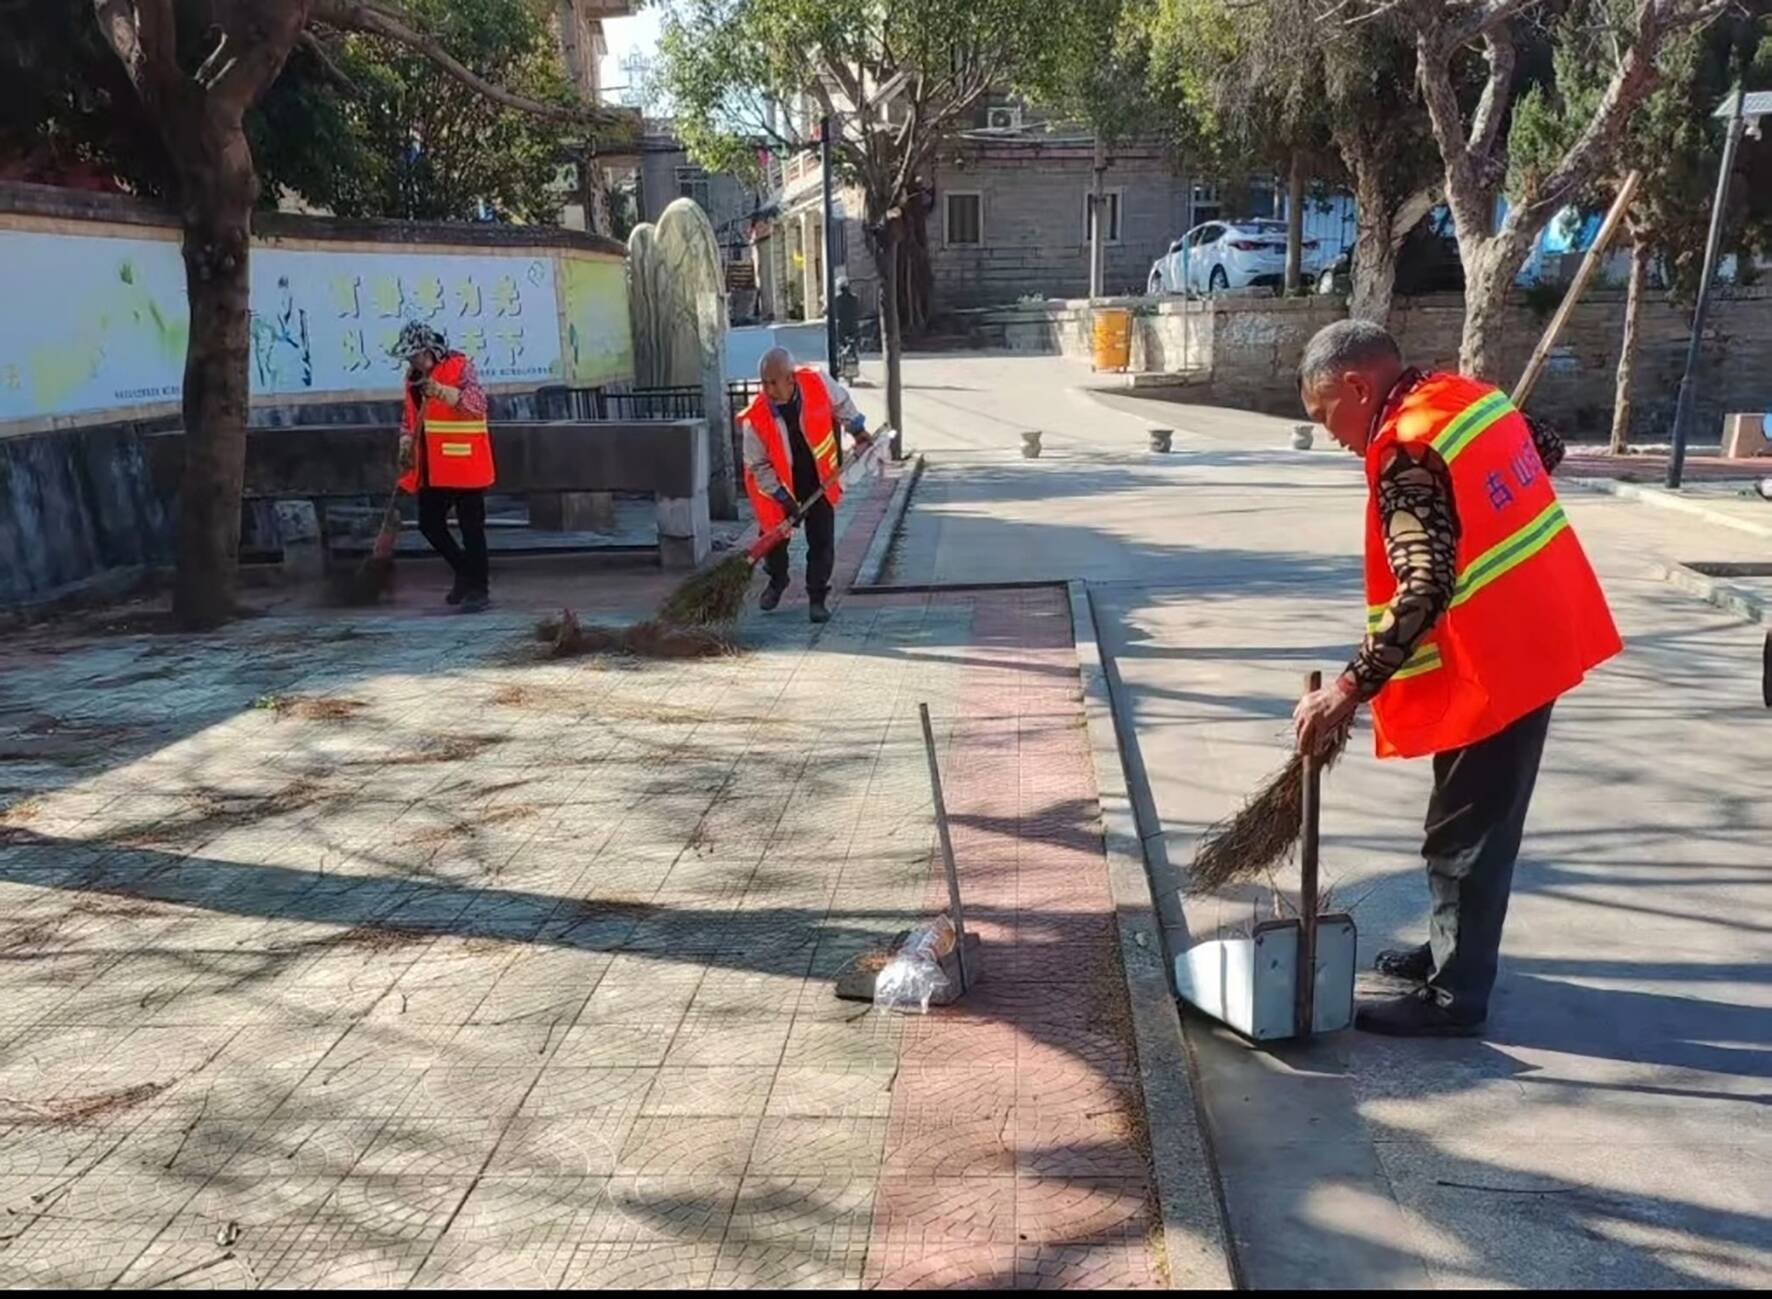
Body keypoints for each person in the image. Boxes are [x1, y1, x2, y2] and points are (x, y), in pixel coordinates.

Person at [1293, 320, 1622, 1038]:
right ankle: (1452, 949)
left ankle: (1454, 997)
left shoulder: (1407, 450)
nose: (1330, 434)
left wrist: (1346, 690)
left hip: (1499, 659)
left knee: (1465, 834)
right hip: (1536, 635)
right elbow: (1544, 447)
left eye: (1324, 414)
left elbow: (1422, 586)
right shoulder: (1467, 400)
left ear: (1357, 386)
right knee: (1470, 816)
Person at [738, 346, 871, 623]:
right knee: (773, 542)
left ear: (790, 379)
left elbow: (841, 404)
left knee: (821, 541)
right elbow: (758, 465)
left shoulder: (816, 382)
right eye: (764, 383)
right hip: (778, 488)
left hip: (818, 479)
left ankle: (817, 598)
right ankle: (778, 580)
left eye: (773, 382)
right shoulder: (756, 416)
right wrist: (784, 498)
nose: (768, 390)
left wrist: (857, 430)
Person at [394, 322, 494, 613]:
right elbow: (409, 416)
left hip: (465, 462)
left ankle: (479, 589)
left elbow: (478, 403)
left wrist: (442, 392)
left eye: (416, 355)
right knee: (429, 523)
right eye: (409, 356)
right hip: (433, 466)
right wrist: (405, 441)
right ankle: (464, 571)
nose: (412, 361)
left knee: (471, 528)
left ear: (429, 350)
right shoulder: (412, 378)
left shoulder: (459, 366)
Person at [833, 278, 861, 351]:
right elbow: (858, 310)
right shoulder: (854, 298)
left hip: (842, 325)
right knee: (854, 337)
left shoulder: (836, 299)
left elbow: (828, 310)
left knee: (837, 338)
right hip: (853, 324)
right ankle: (852, 348)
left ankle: (842, 349)